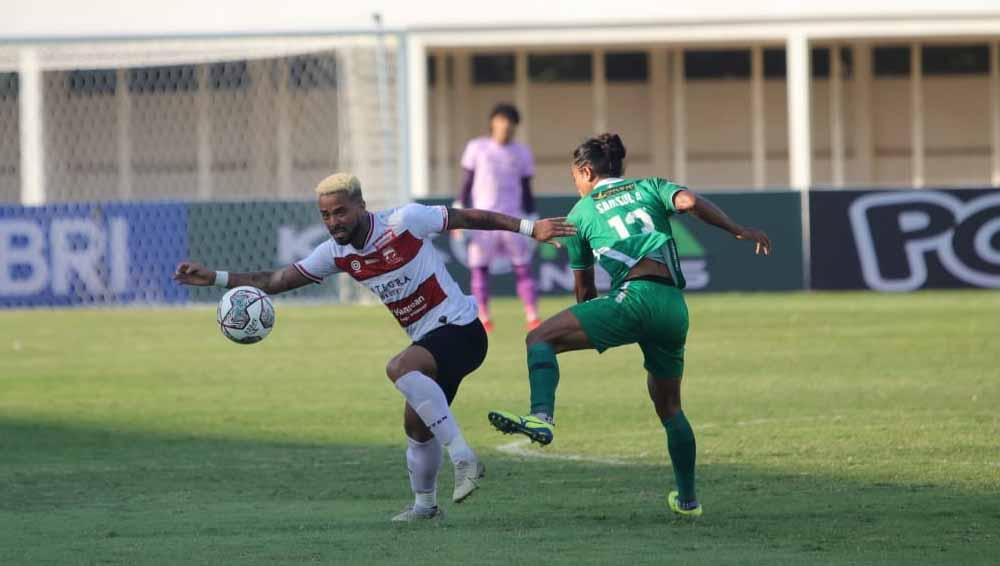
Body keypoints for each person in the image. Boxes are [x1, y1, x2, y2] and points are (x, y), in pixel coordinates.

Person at [173, 173, 574, 522]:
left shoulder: (405, 221)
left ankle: (464, 457)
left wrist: (528, 228)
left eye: (340, 212)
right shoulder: (337, 254)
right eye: (326, 216)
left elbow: (468, 217)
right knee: (416, 427)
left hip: (462, 329)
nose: (333, 222)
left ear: (361, 206)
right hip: (432, 343)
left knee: (400, 368)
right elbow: (277, 280)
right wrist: (216, 278)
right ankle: (425, 507)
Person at [487, 134, 772, 517]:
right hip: (673, 306)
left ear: (587, 171)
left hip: (635, 299)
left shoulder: (580, 214)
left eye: (575, 176)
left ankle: (541, 416)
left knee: (539, 338)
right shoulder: (650, 186)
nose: (576, 184)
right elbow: (688, 202)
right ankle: (688, 501)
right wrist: (739, 230)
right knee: (670, 407)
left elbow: (585, 292)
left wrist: (592, 325)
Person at [458, 103, 540, 332]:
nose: (506, 126)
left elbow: (526, 187)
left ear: (516, 126)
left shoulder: (522, 152)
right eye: (501, 120)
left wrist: (532, 216)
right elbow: (467, 181)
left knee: (523, 267)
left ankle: (532, 314)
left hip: (514, 219)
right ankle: (483, 316)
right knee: (479, 268)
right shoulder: (477, 148)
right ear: (493, 122)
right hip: (482, 219)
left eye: (510, 122)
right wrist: (458, 208)